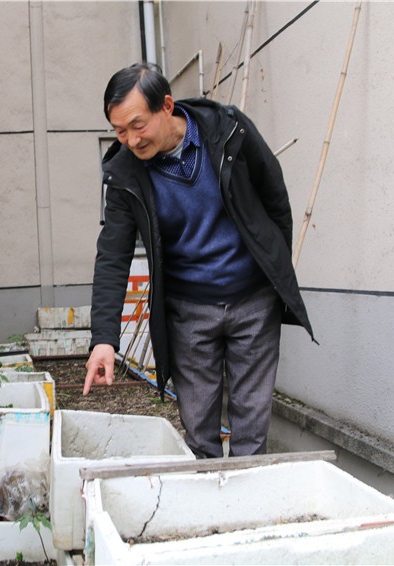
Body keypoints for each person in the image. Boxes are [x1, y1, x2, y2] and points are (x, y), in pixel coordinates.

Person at [83, 63, 314, 459]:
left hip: (254, 302)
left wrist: (274, 266)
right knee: (199, 433)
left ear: (166, 106)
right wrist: (104, 338)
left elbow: (275, 197)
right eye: (119, 131)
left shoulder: (228, 129)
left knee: (251, 432)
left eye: (138, 125)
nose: (131, 140)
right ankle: (208, 496)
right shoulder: (123, 173)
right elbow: (113, 254)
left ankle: (248, 495)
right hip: (188, 311)